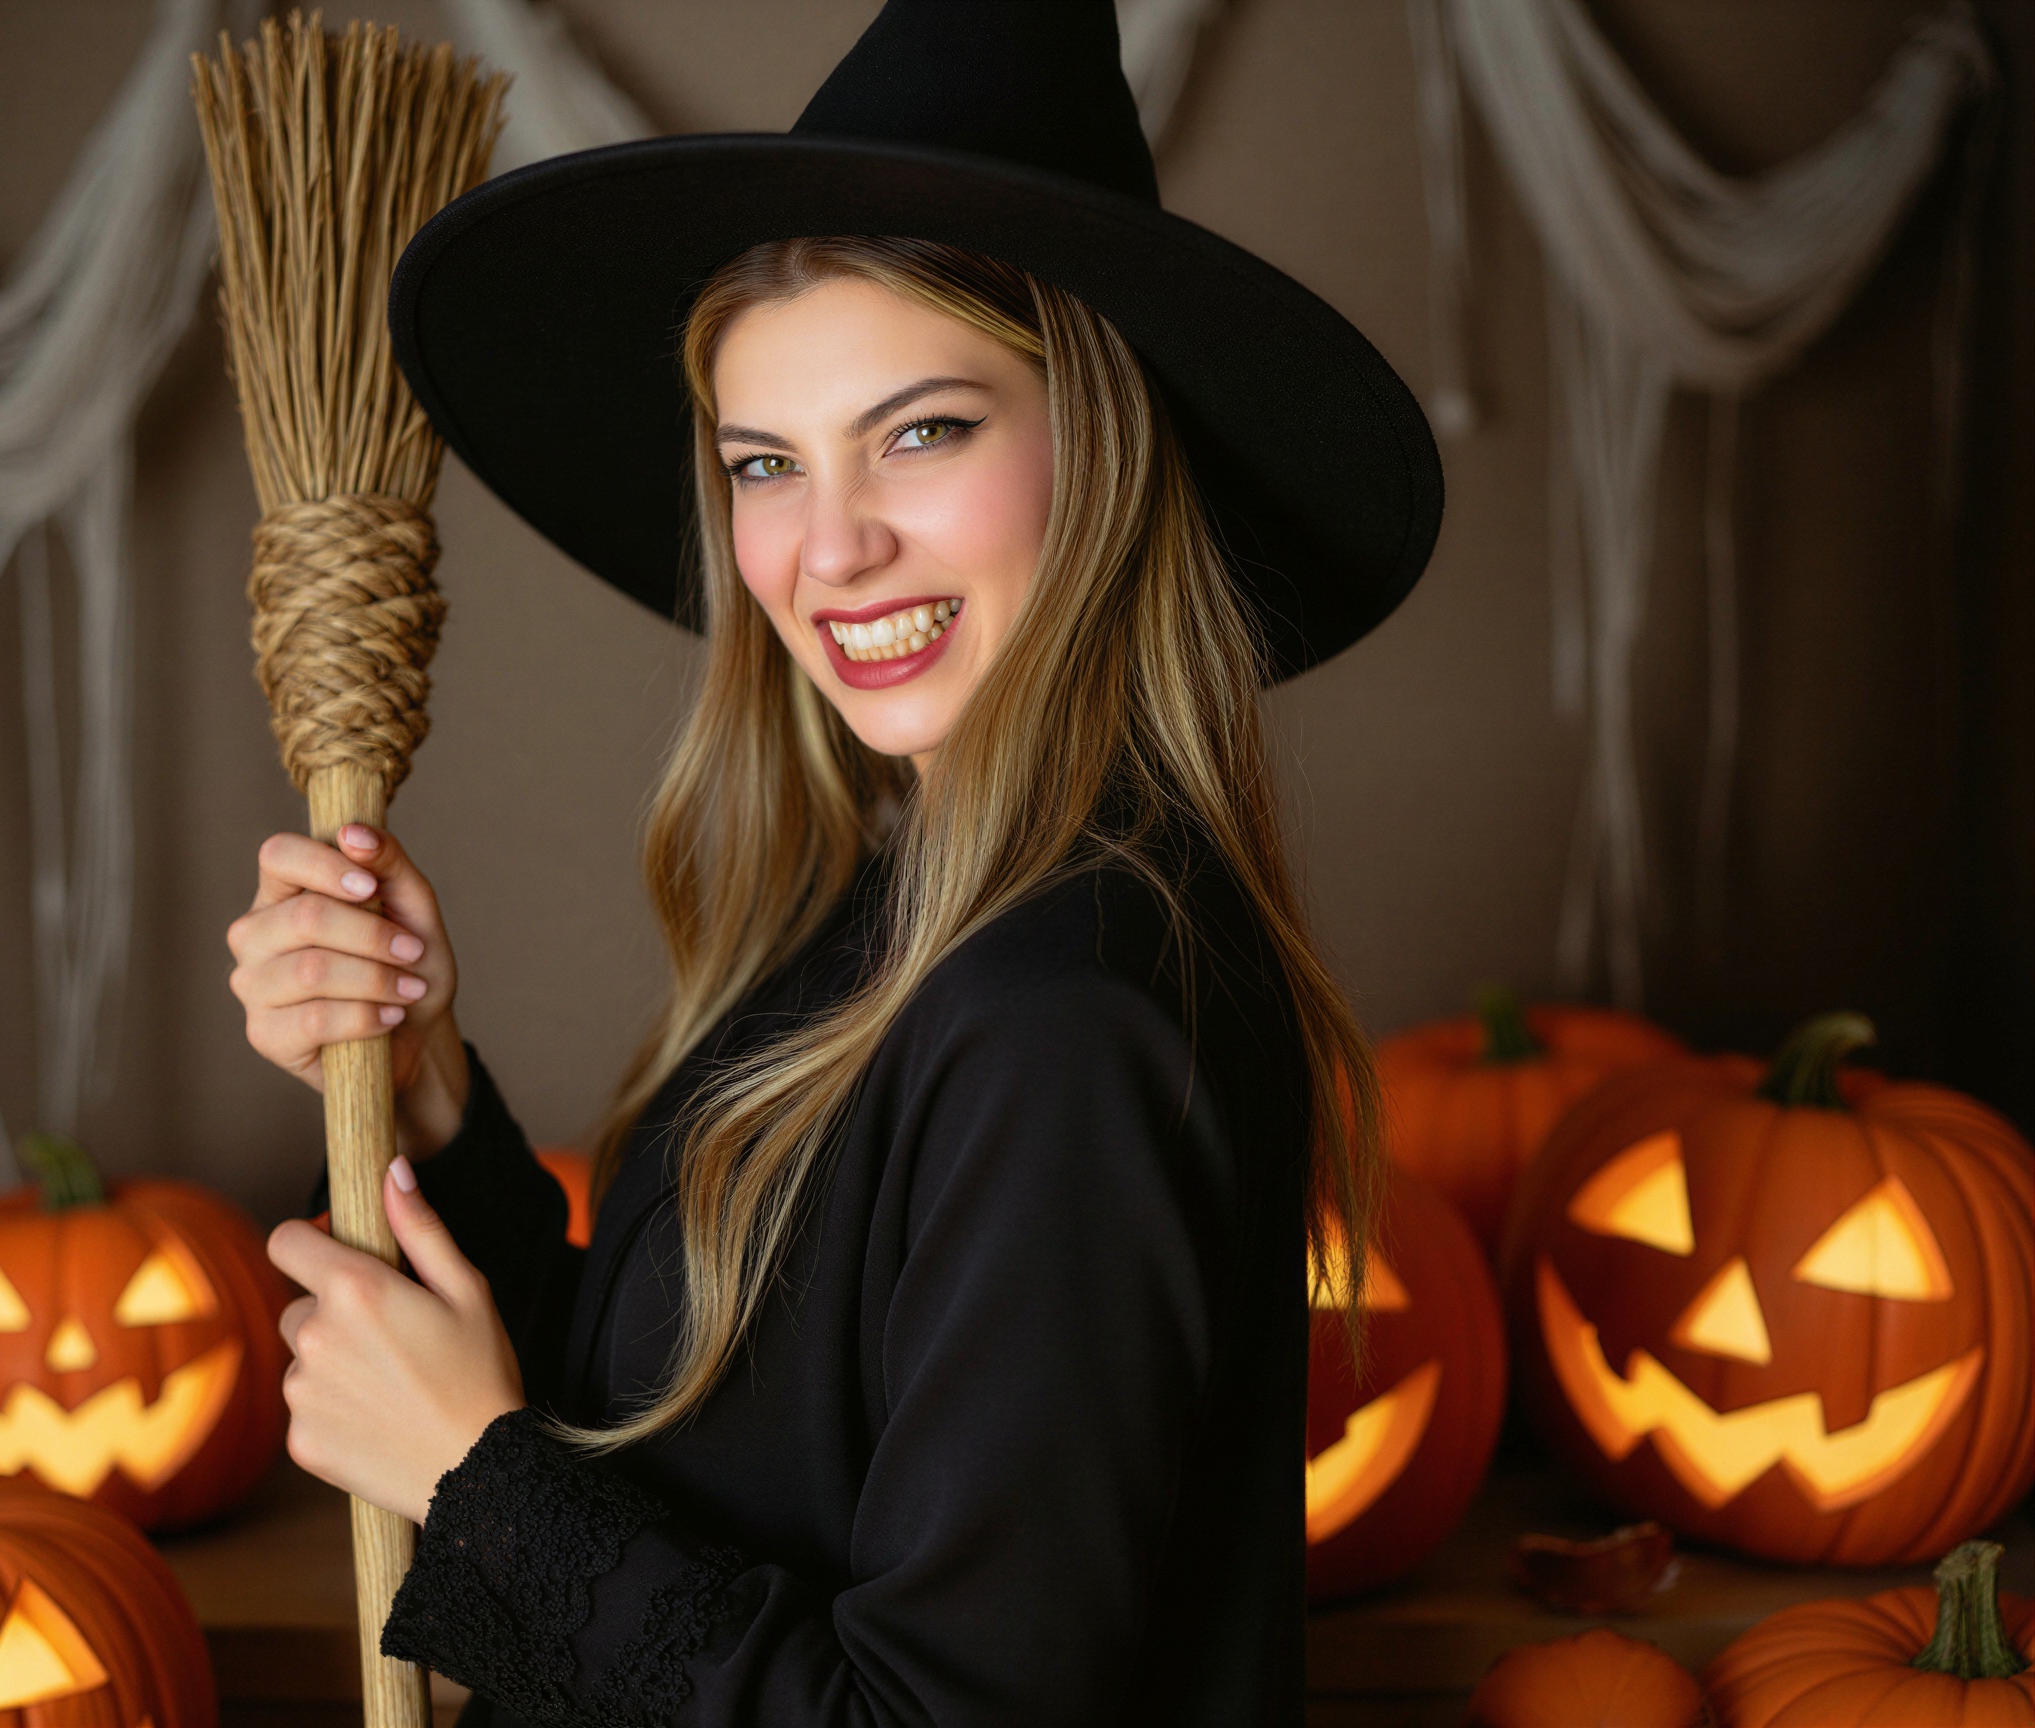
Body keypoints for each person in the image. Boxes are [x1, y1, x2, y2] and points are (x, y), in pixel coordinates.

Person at [226, 3, 1441, 1722]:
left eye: (924, 431)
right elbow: (709, 1448)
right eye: (765, 464)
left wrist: (474, 1481)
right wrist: (428, 1104)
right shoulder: (894, 912)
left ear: (1096, 439)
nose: (831, 546)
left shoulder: (1073, 1012)